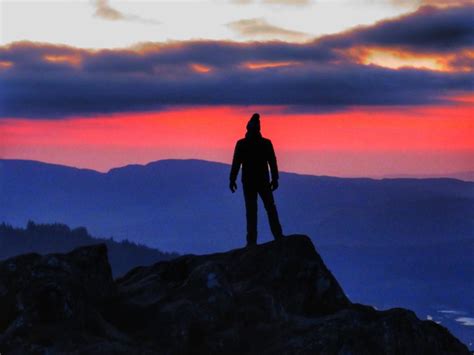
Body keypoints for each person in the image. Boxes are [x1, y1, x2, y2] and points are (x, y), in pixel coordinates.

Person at [229, 113, 284, 247]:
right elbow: (272, 161)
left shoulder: (243, 144)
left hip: (251, 181)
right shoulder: (264, 143)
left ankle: (253, 241)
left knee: (253, 211)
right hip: (260, 181)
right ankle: (276, 236)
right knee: (267, 208)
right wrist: (275, 178)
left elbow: (236, 163)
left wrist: (232, 179)